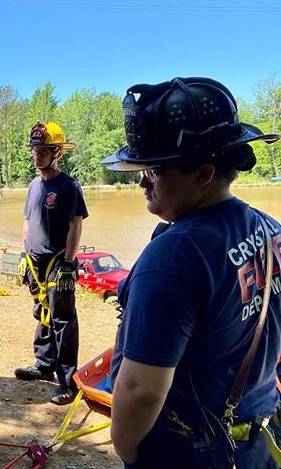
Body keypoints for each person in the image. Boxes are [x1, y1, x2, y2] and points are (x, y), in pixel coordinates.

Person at [102, 77, 281, 469]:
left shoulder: (173, 258)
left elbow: (140, 389)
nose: (142, 182)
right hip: (256, 440)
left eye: (154, 170)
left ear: (203, 174)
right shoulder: (268, 228)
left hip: (191, 450)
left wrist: (128, 449)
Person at [14, 121, 88, 405]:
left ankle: (67, 382)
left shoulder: (69, 186)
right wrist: (24, 255)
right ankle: (44, 364)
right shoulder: (34, 185)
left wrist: (69, 263)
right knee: (41, 312)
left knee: (63, 319)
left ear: (58, 152)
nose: (38, 155)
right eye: (35, 150)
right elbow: (27, 221)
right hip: (35, 263)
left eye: (44, 150)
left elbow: (75, 225)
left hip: (59, 262)